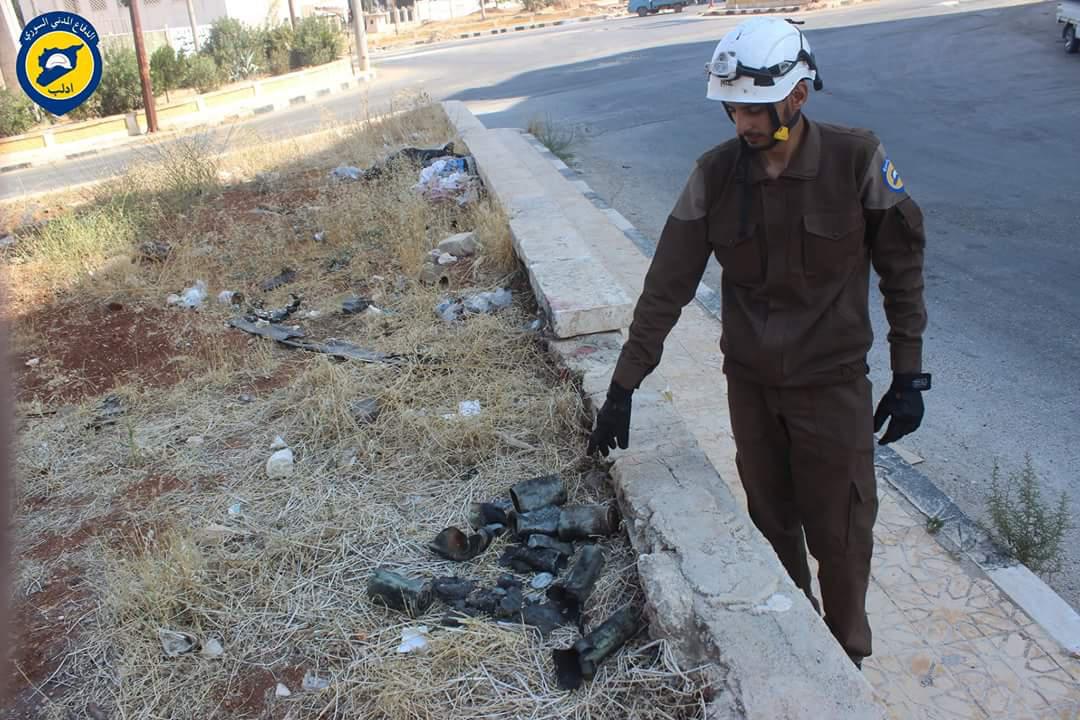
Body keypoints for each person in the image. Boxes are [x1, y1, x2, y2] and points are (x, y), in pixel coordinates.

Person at [587, 16, 930, 667]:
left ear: (797, 96)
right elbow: (666, 286)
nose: (741, 123)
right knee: (772, 526)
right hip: (751, 390)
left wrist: (908, 374)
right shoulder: (715, 176)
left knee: (842, 534)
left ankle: (847, 657)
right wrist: (623, 386)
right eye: (732, 110)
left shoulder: (856, 159)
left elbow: (903, 270)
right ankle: (797, 643)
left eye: (752, 109)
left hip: (832, 390)